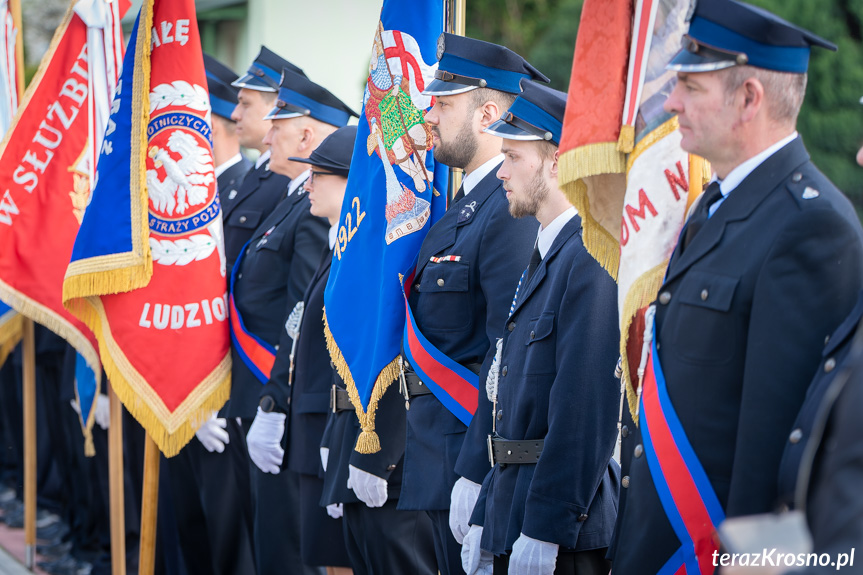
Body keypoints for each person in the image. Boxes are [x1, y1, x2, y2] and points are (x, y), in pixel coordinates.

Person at [608, 1, 863, 574]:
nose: (670, 104)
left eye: (691, 89)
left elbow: (776, 444)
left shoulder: (811, 226)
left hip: (714, 553)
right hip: (653, 539)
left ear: (749, 98)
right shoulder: (712, 205)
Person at [393, 33, 546, 575]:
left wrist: (480, 470)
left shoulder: (504, 213)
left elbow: (508, 353)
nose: (427, 115)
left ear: (486, 113)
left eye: (443, 103)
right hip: (429, 457)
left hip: (461, 460)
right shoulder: (464, 206)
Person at [461, 80, 620, 575]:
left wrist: (547, 525)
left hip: (563, 530)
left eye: (513, 157)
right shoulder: (545, 255)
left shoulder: (590, 256)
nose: (501, 171)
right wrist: (488, 506)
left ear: (557, 162)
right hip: (516, 504)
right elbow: (509, 392)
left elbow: (584, 407)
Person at [231, 68, 355, 575]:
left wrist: (275, 401)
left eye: (278, 122)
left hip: (300, 408)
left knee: (291, 553)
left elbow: (304, 319)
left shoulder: (316, 216)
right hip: (278, 395)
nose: (265, 129)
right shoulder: (294, 203)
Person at [158, 53, 256, 575]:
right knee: (184, 530)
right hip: (183, 384)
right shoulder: (189, 191)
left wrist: (216, 396)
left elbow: (246, 306)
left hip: (226, 395)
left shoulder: (249, 188)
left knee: (226, 542)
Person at [280, 125, 357, 574]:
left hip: (337, 429)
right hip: (316, 431)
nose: (307, 185)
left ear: (350, 183)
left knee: (339, 562)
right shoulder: (335, 249)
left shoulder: (352, 257)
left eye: (319, 176)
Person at [223, 46, 304, 272]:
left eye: (245, 104)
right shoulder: (257, 171)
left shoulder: (286, 177)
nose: (235, 114)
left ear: (277, 105)